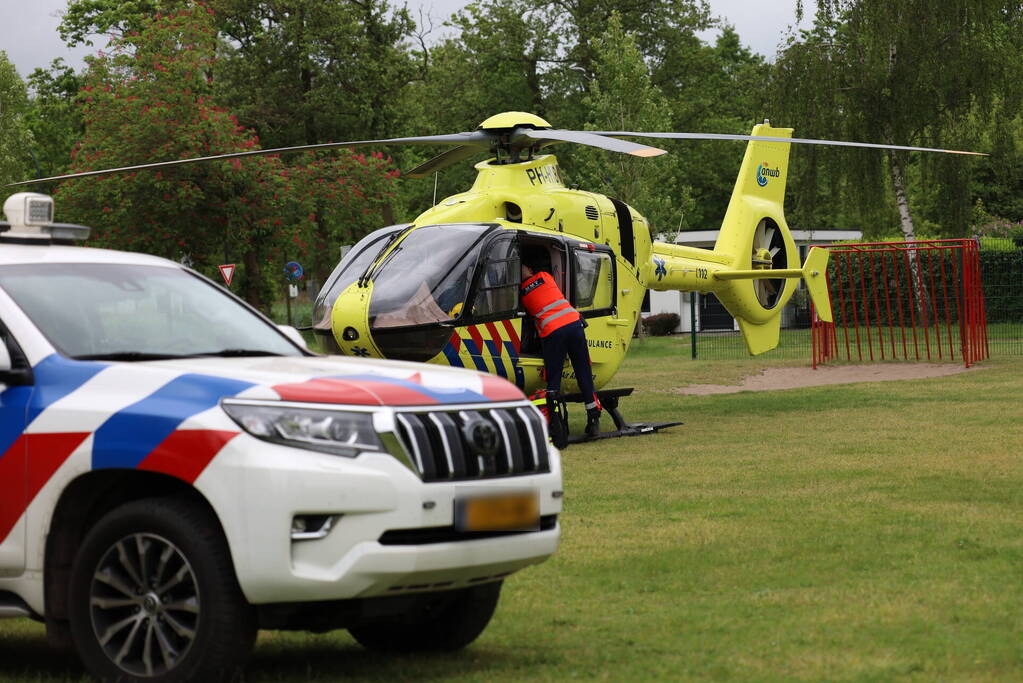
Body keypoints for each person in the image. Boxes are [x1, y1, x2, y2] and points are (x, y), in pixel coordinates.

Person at [520, 249, 601, 442]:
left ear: (529, 270)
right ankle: (594, 419)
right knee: (583, 373)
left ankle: (554, 423)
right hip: (574, 324)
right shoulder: (546, 277)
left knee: (553, 379)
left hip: (553, 332)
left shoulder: (521, 293)